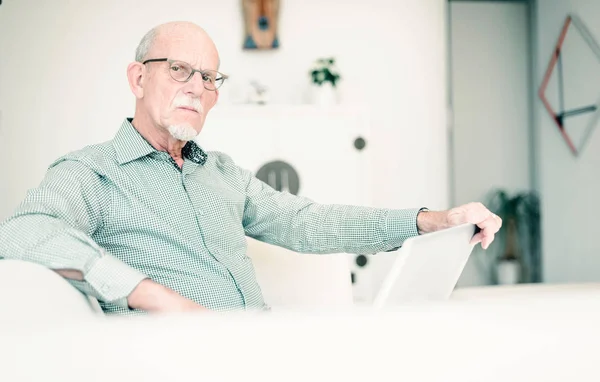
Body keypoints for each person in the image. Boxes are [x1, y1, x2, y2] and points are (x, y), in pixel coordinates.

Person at [0, 21, 501, 315]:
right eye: (178, 70)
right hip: (170, 370)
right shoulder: (91, 172)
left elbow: (307, 222)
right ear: (138, 78)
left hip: (260, 354)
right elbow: (22, 233)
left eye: (209, 77)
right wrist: (144, 293)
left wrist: (430, 221)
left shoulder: (221, 172)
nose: (196, 87)